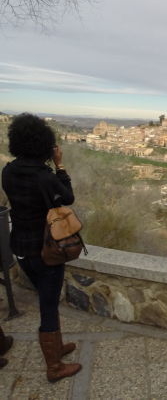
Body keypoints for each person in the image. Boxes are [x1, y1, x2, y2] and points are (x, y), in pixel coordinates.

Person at [1, 113, 79, 381]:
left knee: (46, 299)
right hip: (46, 250)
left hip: (20, 247)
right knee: (48, 305)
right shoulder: (45, 177)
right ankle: (55, 367)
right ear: (43, 144)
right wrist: (60, 166)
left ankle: (56, 348)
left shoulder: (8, 170)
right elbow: (67, 197)